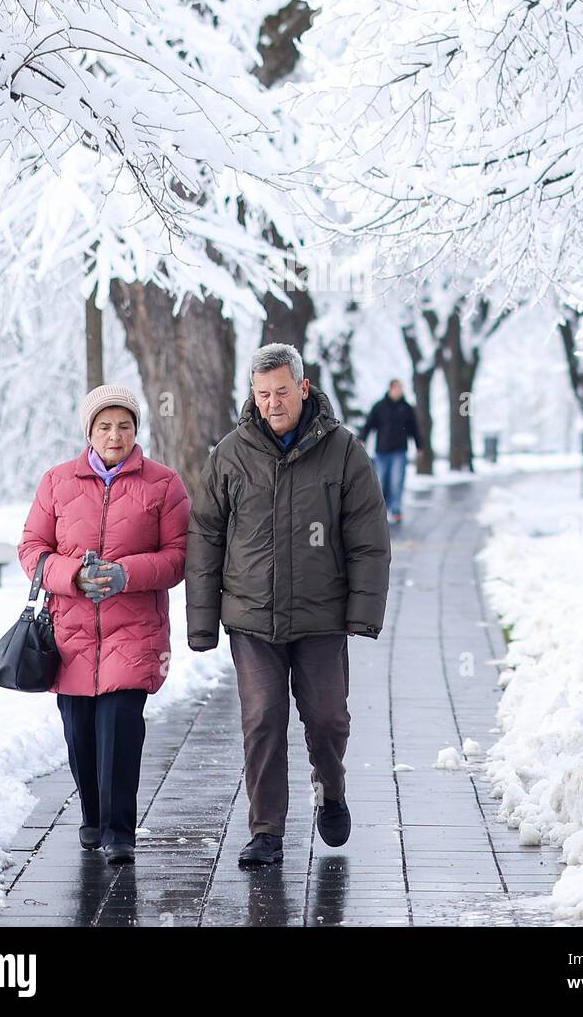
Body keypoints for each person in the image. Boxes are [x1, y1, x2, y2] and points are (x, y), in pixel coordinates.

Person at [186, 343, 390, 867]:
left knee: (326, 719)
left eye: (280, 392)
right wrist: (203, 621)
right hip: (252, 618)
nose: (272, 403)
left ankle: (332, 789)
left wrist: (362, 612)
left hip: (321, 615)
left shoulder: (343, 450)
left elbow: (368, 536)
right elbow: (206, 536)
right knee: (263, 720)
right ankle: (266, 832)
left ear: (302, 387)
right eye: (262, 394)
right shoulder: (230, 453)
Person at [17, 384, 190, 866]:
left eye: (125, 425)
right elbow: (31, 548)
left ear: (137, 429)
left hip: (133, 629)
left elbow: (178, 558)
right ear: (89, 431)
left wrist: (125, 574)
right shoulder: (56, 482)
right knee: (80, 734)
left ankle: (120, 831)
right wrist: (70, 574)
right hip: (70, 631)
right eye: (105, 426)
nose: (115, 435)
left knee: (119, 729)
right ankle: (92, 816)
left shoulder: (164, 484)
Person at [360, 379, 422, 523]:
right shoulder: (380, 406)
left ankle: (396, 509)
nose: (399, 391)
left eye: (401, 388)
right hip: (382, 451)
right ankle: (381, 510)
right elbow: (369, 424)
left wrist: (420, 446)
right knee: (381, 482)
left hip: (399, 451)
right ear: (390, 389)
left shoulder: (406, 408)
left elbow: (414, 429)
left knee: (397, 481)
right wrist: (362, 439)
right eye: (397, 388)